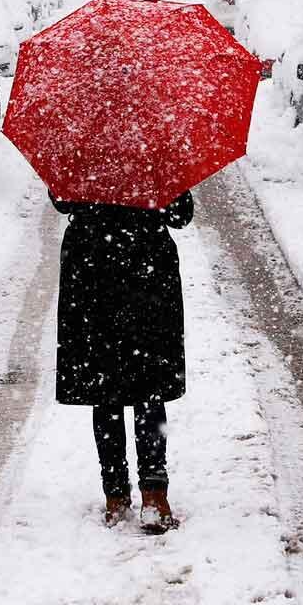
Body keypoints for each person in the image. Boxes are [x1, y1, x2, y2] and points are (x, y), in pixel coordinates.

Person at [52, 189, 194, 532]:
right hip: (147, 275)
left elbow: (62, 201)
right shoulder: (158, 153)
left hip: (92, 273)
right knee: (148, 389)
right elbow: (180, 215)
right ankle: (154, 495)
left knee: (106, 390)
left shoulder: (84, 150)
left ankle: (115, 496)